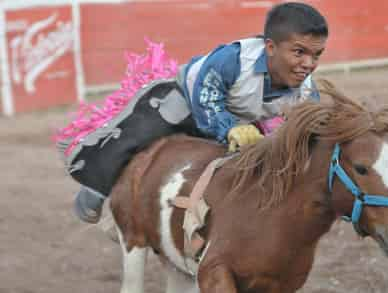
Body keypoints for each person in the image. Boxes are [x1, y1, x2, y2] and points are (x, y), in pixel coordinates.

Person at [61, 2, 328, 224]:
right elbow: (206, 99)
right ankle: (97, 182)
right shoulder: (233, 59)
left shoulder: (306, 91)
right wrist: (230, 129)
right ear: (271, 48)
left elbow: (308, 131)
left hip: (241, 120)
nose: (308, 64)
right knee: (139, 131)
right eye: (299, 52)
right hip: (185, 100)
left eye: (316, 55)